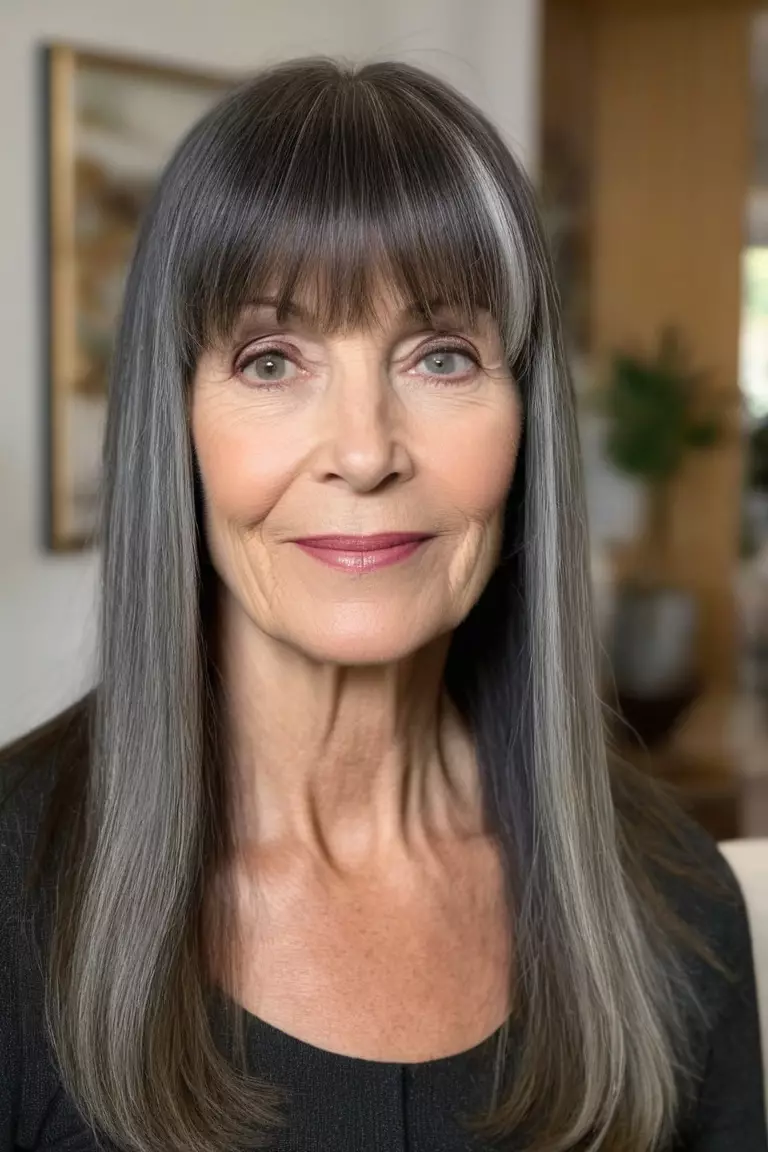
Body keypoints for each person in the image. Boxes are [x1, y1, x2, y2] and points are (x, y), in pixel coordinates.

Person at [0, 58, 765, 1152]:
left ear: (525, 419)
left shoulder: (679, 908)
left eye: (442, 355)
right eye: (272, 361)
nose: (364, 452)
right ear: (175, 425)